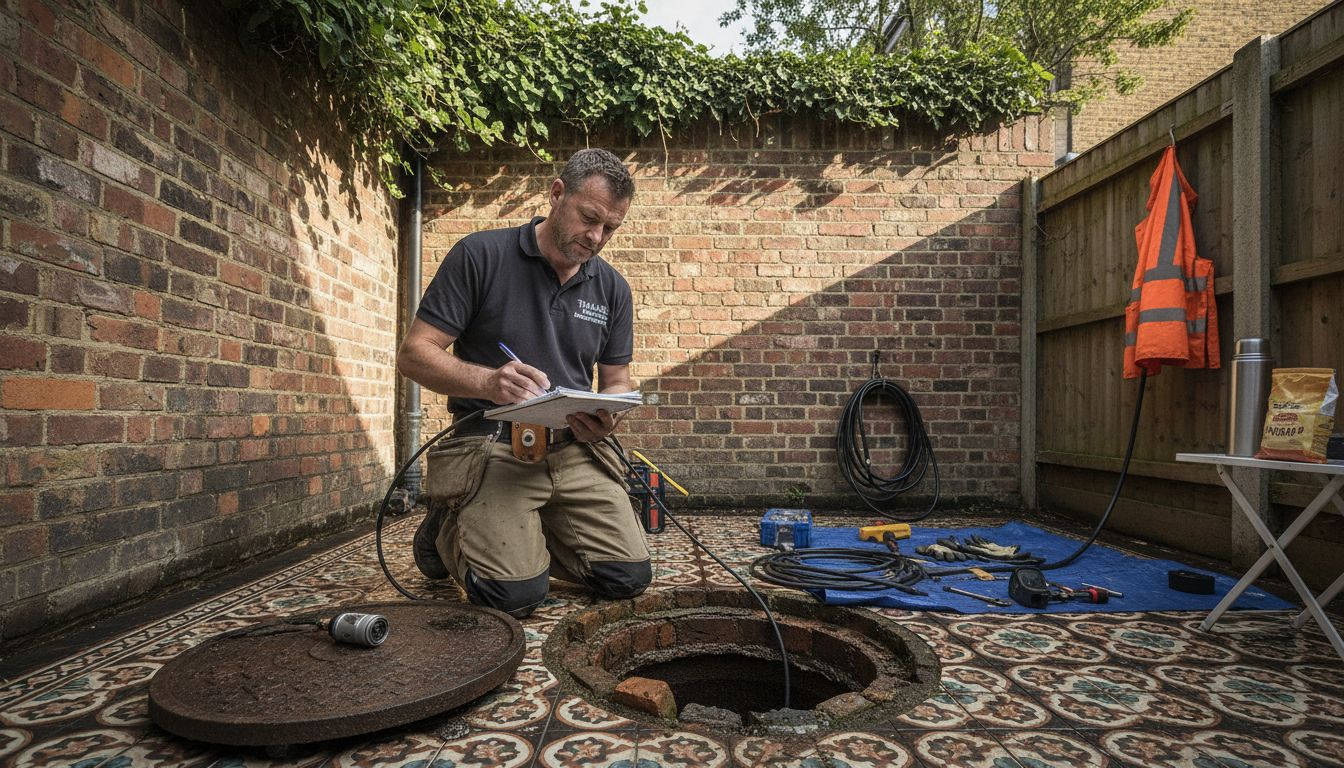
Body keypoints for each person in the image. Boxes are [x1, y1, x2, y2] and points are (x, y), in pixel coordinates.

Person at [396, 148, 651, 618]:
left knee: (627, 577)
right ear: (557, 194)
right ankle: (446, 526)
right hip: (492, 444)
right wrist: (489, 380)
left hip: (574, 448)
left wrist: (609, 413)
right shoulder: (480, 254)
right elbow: (414, 355)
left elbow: (616, 381)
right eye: (589, 218)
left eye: (611, 228)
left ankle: (514, 530)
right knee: (514, 597)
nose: (597, 237)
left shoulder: (613, 288)